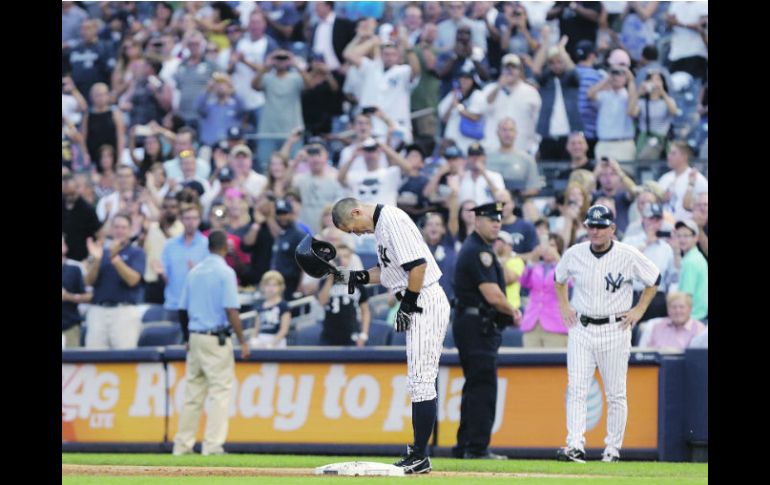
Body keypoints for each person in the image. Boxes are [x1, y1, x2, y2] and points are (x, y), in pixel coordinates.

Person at [330, 198, 451, 474]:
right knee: (419, 380)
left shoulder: (392, 220)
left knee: (421, 380)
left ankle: (419, 455)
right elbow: (387, 271)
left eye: (353, 227)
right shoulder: (382, 225)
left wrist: (407, 305)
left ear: (357, 211)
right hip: (419, 297)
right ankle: (419, 454)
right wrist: (350, 276)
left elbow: (418, 266)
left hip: (424, 298)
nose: (357, 234)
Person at [554, 204, 660, 463]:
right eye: (592, 225)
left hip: (616, 327)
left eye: (601, 226)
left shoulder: (627, 254)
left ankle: (612, 449)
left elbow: (653, 280)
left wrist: (639, 310)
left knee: (616, 392)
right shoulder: (575, 252)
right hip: (582, 326)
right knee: (577, 388)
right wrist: (565, 305)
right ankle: (575, 446)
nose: (596, 231)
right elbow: (559, 279)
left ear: (612, 228)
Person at [452, 201, 522, 460]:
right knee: (483, 387)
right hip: (477, 326)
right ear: (477, 221)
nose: (496, 223)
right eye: (490, 219)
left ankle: (465, 445)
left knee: (474, 386)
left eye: (499, 219)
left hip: (472, 323)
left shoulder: (479, 249)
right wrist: (512, 311)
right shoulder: (478, 251)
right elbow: (492, 295)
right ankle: (477, 447)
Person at [172, 230, 250, 456]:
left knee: (192, 394)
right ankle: (213, 446)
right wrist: (243, 340)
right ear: (226, 248)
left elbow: (182, 309)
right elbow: (231, 309)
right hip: (216, 338)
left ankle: (182, 446)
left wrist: (188, 338)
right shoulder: (225, 272)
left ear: (208, 247)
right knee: (219, 392)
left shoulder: (195, 271)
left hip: (195, 336)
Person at [84, 214, 147, 349]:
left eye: (124, 227)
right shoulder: (100, 252)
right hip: (98, 310)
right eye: (116, 227)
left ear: (130, 230)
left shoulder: (137, 253)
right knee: (93, 357)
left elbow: (133, 280)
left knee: (125, 358)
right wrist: (97, 260)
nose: (120, 230)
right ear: (111, 230)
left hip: (124, 311)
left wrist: (115, 258)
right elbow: (88, 281)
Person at [519, 233, 569, 347]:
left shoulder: (563, 266)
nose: (548, 249)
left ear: (559, 248)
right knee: (529, 362)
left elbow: (569, 282)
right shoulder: (536, 267)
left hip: (555, 323)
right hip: (532, 323)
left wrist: (557, 258)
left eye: (552, 246)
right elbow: (523, 282)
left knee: (555, 363)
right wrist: (531, 260)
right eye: (546, 245)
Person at [160, 205, 209, 320]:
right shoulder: (169, 245)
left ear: (199, 220)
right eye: (187, 218)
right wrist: (161, 273)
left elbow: (210, 276)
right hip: (173, 304)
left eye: (194, 218)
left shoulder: (206, 244)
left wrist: (197, 272)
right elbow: (165, 276)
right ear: (181, 220)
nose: (191, 222)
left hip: (197, 305)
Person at [317, 244, 371, 347]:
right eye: (339, 257)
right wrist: (331, 277)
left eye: (346, 256)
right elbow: (321, 302)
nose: (342, 260)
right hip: (329, 334)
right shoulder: (325, 281)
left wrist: (364, 334)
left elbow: (365, 311)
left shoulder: (357, 282)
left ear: (350, 258)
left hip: (351, 333)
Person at [674, 219, 708, 322]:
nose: (681, 239)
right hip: (699, 316)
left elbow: (685, 296)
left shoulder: (691, 262)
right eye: (679, 236)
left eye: (686, 236)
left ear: (696, 238)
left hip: (694, 318)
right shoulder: (694, 257)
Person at [62, 235, 93, 348]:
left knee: (71, 361)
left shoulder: (75, 267)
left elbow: (90, 296)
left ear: (65, 247)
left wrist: (68, 296)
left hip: (69, 325)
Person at [249, 271, 292, 349]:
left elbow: (284, 330)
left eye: (274, 285)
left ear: (280, 287)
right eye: (268, 285)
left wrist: (272, 344)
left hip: (277, 342)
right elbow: (256, 328)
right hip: (261, 341)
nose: (271, 288)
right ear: (263, 287)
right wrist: (253, 340)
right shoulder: (260, 306)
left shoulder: (283, 306)